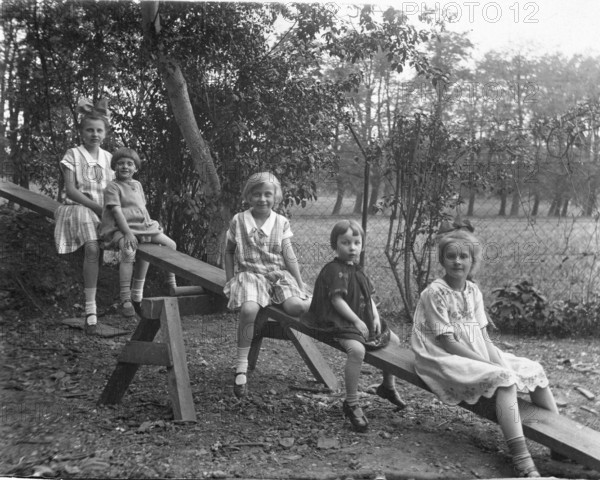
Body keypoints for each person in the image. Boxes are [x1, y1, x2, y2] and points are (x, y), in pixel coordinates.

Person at [410, 220, 561, 478]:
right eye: (451, 256)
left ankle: (559, 443)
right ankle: (522, 460)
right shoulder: (434, 293)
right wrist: (490, 367)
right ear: (442, 260)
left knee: (531, 369)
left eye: (463, 256)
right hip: (442, 355)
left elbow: (483, 336)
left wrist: (495, 361)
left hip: (475, 347)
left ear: (472, 261)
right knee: (503, 380)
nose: (457, 261)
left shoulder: (473, 291)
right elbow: (447, 341)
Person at [301, 219, 407, 433]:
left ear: (362, 245)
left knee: (393, 341)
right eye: (345, 242)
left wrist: (375, 317)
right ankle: (351, 402)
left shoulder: (358, 270)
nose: (352, 248)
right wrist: (358, 321)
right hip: (337, 320)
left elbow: (369, 299)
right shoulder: (334, 270)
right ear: (335, 245)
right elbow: (336, 301)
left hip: (360, 317)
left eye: (356, 243)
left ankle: (387, 386)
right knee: (356, 350)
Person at [224, 172, 311, 398]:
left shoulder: (281, 222)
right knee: (249, 309)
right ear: (248, 196)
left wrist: (300, 284)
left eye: (267, 194)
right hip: (250, 274)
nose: (262, 199)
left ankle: (321, 299)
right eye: (256, 194)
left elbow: (288, 255)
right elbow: (229, 251)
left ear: (276, 197)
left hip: (276, 273)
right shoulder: (239, 220)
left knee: (296, 307)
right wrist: (229, 278)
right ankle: (241, 365)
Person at [54, 98, 114, 333]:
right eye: (89, 130)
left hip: (104, 211)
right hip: (79, 208)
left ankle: (131, 296)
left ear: (105, 133)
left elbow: (114, 189)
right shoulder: (73, 154)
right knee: (92, 248)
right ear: (81, 132)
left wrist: (115, 212)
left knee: (133, 241)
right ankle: (91, 308)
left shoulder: (109, 158)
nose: (94, 134)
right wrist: (97, 209)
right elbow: (71, 190)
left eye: (99, 130)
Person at [98, 147, 178, 318]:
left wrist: (151, 226)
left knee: (171, 244)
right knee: (128, 250)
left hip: (141, 227)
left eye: (129, 164)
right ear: (114, 166)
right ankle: (125, 298)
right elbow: (117, 213)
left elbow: (142, 209)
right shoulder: (113, 187)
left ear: (136, 168)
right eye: (120, 163)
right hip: (120, 228)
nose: (125, 167)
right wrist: (127, 233)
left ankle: (170, 285)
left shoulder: (137, 185)